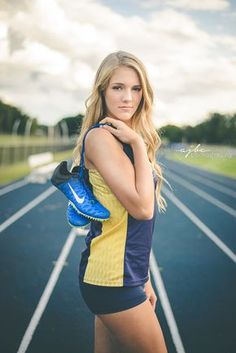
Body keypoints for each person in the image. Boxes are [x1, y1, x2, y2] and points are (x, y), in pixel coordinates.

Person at [73, 50, 168, 353]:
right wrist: (139, 144)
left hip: (122, 275)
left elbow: (131, 227)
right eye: (118, 87)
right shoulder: (102, 138)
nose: (128, 97)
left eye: (136, 88)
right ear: (102, 90)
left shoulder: (123, 136)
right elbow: (141, 209)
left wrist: (145, 277)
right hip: (113, 280)